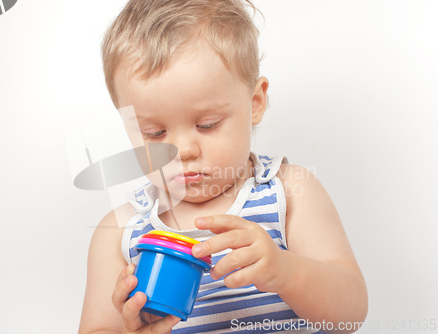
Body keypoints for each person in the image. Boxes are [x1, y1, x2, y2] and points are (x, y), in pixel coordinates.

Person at [78, 0, 368, 333]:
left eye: (208, 124)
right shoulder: (121, 233)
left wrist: (288, 272)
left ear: (255, 102)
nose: (183, 150)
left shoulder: (287, 191)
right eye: (154, 133)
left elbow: (351, 314)